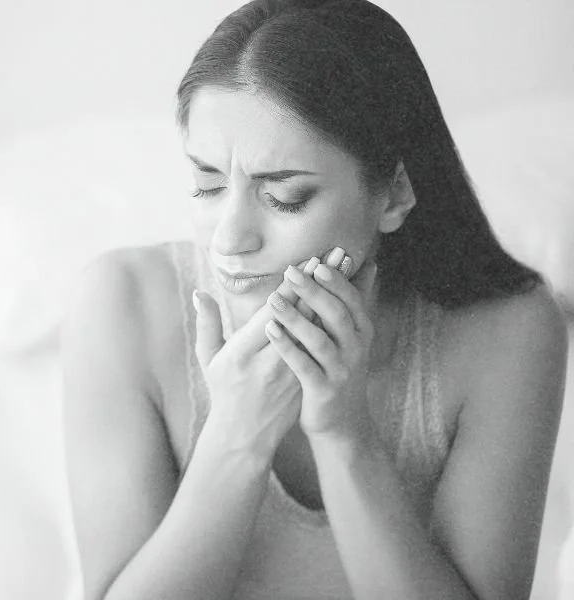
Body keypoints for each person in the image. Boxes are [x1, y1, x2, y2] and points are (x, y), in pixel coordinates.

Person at [61, 1, 569, 599]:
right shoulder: (120, 304)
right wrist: (237, 434)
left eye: (286, 198)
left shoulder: (509, 330)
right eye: (207, 184)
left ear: (394, 193)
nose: (229, 240)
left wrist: (344, 436)